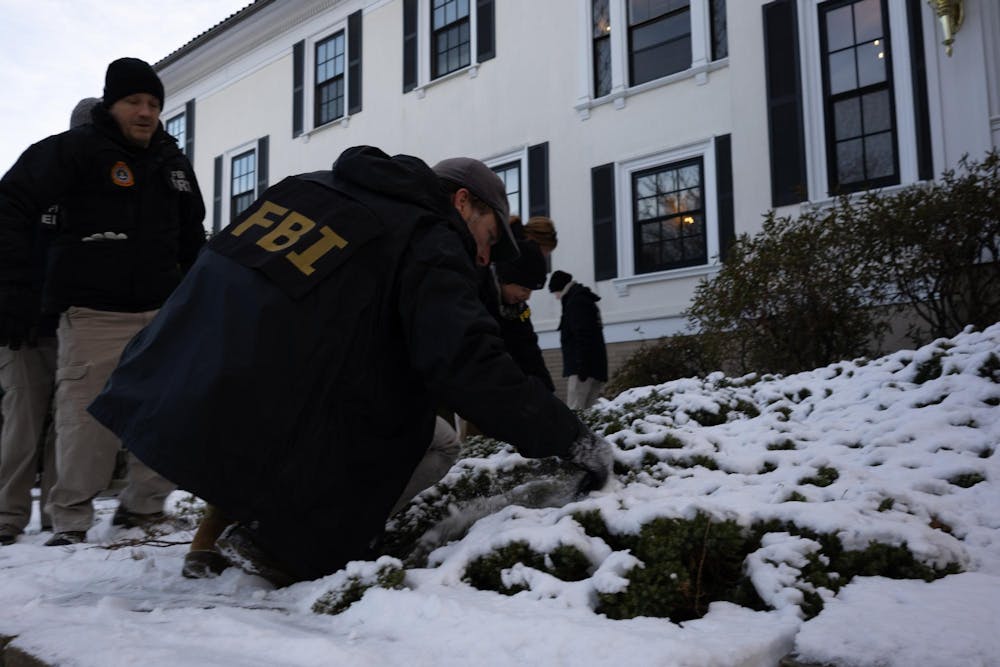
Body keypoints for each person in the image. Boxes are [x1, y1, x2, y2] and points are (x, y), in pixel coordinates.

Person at [88, 146, 613, 586]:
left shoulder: (309, 186)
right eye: (490, 238)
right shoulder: (429, 236)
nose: (484, 259)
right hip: (271, 402)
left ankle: (220, 534)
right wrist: (570, 438)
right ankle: (284, 542)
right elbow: (467, 364)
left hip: (177, 375)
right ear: (461, 202)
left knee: (339, 375)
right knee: (428, 431)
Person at [0, 58, 206, 547]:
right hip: (91, 310)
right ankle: (69, 520)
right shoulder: (73, 151)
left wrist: (197, 297)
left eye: (154, 104)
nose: (145, 112)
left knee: (163, 411)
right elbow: (10, 203)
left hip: (162, 310)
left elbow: (192, 236)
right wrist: (10, 289)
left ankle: (144, 509)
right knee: (83, 418)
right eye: (134, 101)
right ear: (112, 105)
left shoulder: (173, 163)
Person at [0, 97, 102, 546]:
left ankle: (58, 516)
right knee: (22, 423)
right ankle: (7, 516)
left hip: (73, 324)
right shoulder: (36, 178)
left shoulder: (97, 191)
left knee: (68, 424)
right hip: (22, 326)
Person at [548, 270, 609, 410]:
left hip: (583, 368)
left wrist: (582, 366)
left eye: (554, 292)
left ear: (560, 288)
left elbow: (582, 335)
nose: (556, 297)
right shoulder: (582, 298)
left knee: (575, 411)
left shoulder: (575, 302)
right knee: (588, 413)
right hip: (594, 366)